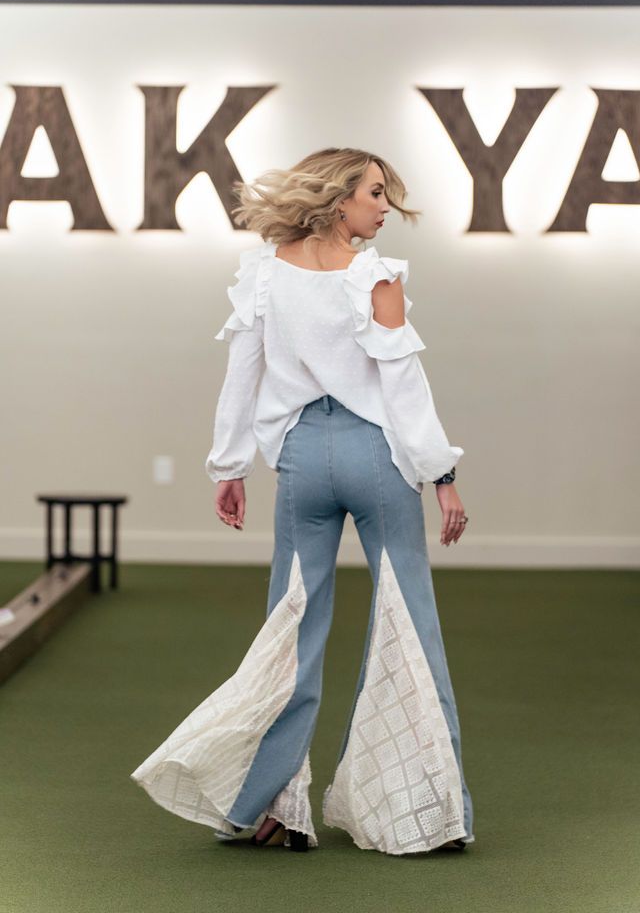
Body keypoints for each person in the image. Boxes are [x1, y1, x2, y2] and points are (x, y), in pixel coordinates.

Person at [130, 147, 474, 856]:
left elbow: (242, 373)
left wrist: (229, 466)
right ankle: (429, 817)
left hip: (299, 464)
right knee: (409, 627)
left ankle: (271, 809)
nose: (385, 207)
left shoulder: (264, 273)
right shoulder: (377, 278)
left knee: (289, 633)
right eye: (375, 193)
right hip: (377, 460)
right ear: (338, 198)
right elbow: (404, 389)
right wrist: (442, 474)